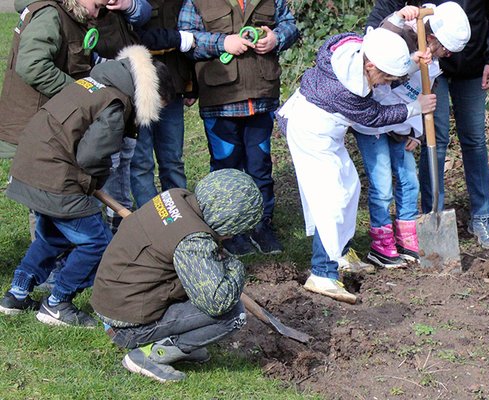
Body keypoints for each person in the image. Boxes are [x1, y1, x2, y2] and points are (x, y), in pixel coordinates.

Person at [0, 45, 175, 327]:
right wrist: (93, 181)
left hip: (31, 165)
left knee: (51, 237)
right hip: (55, 175)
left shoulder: (96, 82)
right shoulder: (115, 102)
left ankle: (16, 294)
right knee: (97, 243)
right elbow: (91, 156)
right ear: (152, 95)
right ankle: (58, 304)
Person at [277, 28, 436, 303]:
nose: (384, 83)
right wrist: (415, 108)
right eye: (383, 77)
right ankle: (323, 274)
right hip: (309, 131)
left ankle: (341, 255)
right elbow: (375, 116)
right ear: (370, 65)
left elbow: (371, 46)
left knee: (350, 187)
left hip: (328, 130)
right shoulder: (345, 89)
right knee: (331, 200)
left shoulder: (350, 45)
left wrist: (411, 59)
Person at [91, 169, 262, 383]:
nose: (231, 236)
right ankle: (150, 354)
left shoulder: (175, 197)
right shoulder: (193, 242)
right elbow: (217, 302)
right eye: (234, 230)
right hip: (125, 325)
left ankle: (177, 343)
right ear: (226, 220)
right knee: (234, 314)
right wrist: (234, 266)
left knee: (205, 280)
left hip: (113, 299)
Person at [367, 0, 489, 249]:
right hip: (431, 61)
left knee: (475, 140)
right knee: (437, 138)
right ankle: (432, 213)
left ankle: (481, 217)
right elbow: (390, 6)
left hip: (473, 61)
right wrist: (373, 42)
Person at [353, 2, 470, 268]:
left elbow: (424, 95)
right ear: (431, 37)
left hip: (404, 125)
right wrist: (398, 17)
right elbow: (381, 80)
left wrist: (416, 132)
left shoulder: (436, 60)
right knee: (382, 185)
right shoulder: (397, 32)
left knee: (409, 181)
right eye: (445, 49)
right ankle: (381, 244)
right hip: (373, 124)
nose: (447, 55)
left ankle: (407, 238)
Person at [178, 0, 299, 256]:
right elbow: (187, 40)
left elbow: (289, 25)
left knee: (260, 167)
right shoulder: (195, 2)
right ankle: (229, 231)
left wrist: (276, 38)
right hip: (220, 100)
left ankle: (262, 225)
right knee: (225, 169)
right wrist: (223, 43)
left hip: (261, 97)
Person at [0, 0, 150, 158]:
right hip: (34, 127)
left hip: (51, 125)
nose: (97, 15)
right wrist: (79, 93)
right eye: (97, 7)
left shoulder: (73, 16)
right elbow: (33, 66)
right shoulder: (50, 14)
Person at [128, 0, 197, 212]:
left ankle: (180, 216)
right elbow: (129, 37)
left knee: (173, 159)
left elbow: (190, 37)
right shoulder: (130, 5)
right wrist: (175, 40)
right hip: (138, 87)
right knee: (141, 163)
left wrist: (191, 83)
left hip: (173, 86)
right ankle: (153, 221)